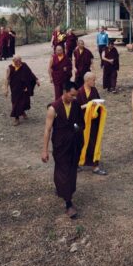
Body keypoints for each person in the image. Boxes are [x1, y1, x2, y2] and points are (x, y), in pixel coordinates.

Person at [42, 81, 84, 219]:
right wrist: (45, 150)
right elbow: (48, 130)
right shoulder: (53, 108)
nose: (74, 98)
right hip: (60, 144)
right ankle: (68, 203)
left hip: (74, 143)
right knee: (63, 169)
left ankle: (64, 189)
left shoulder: (76, 104)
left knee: (71, 169)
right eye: (71, 95)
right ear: (65, 92)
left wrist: (77, 129)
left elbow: (81, 122)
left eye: (75, 96)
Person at [76, 72, 107, 175]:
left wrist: (98, 104)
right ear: (87, 80)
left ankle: (95, 166)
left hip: (93, 122)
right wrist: (88, 104)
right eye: (93, 80)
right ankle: (77, 162)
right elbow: (76, 108)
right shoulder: (79, 92)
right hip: (82, 122)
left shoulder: (94, 90)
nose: (95, 81)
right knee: (80, 143)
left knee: (94, 142)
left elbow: (97, 101)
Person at [5, 55, 40, 126]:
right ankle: (16, 118)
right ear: (13, 61)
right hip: (15, 88)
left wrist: (36, 79)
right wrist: (6, 89)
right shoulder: (10, 68)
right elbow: (7, 79)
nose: (19, 63)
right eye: (17, 61)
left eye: (20, 61)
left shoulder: (24, 65)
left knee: (24, 100)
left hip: (24, 87)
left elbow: (30, 73)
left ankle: (22, 112)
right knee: (15, 102)